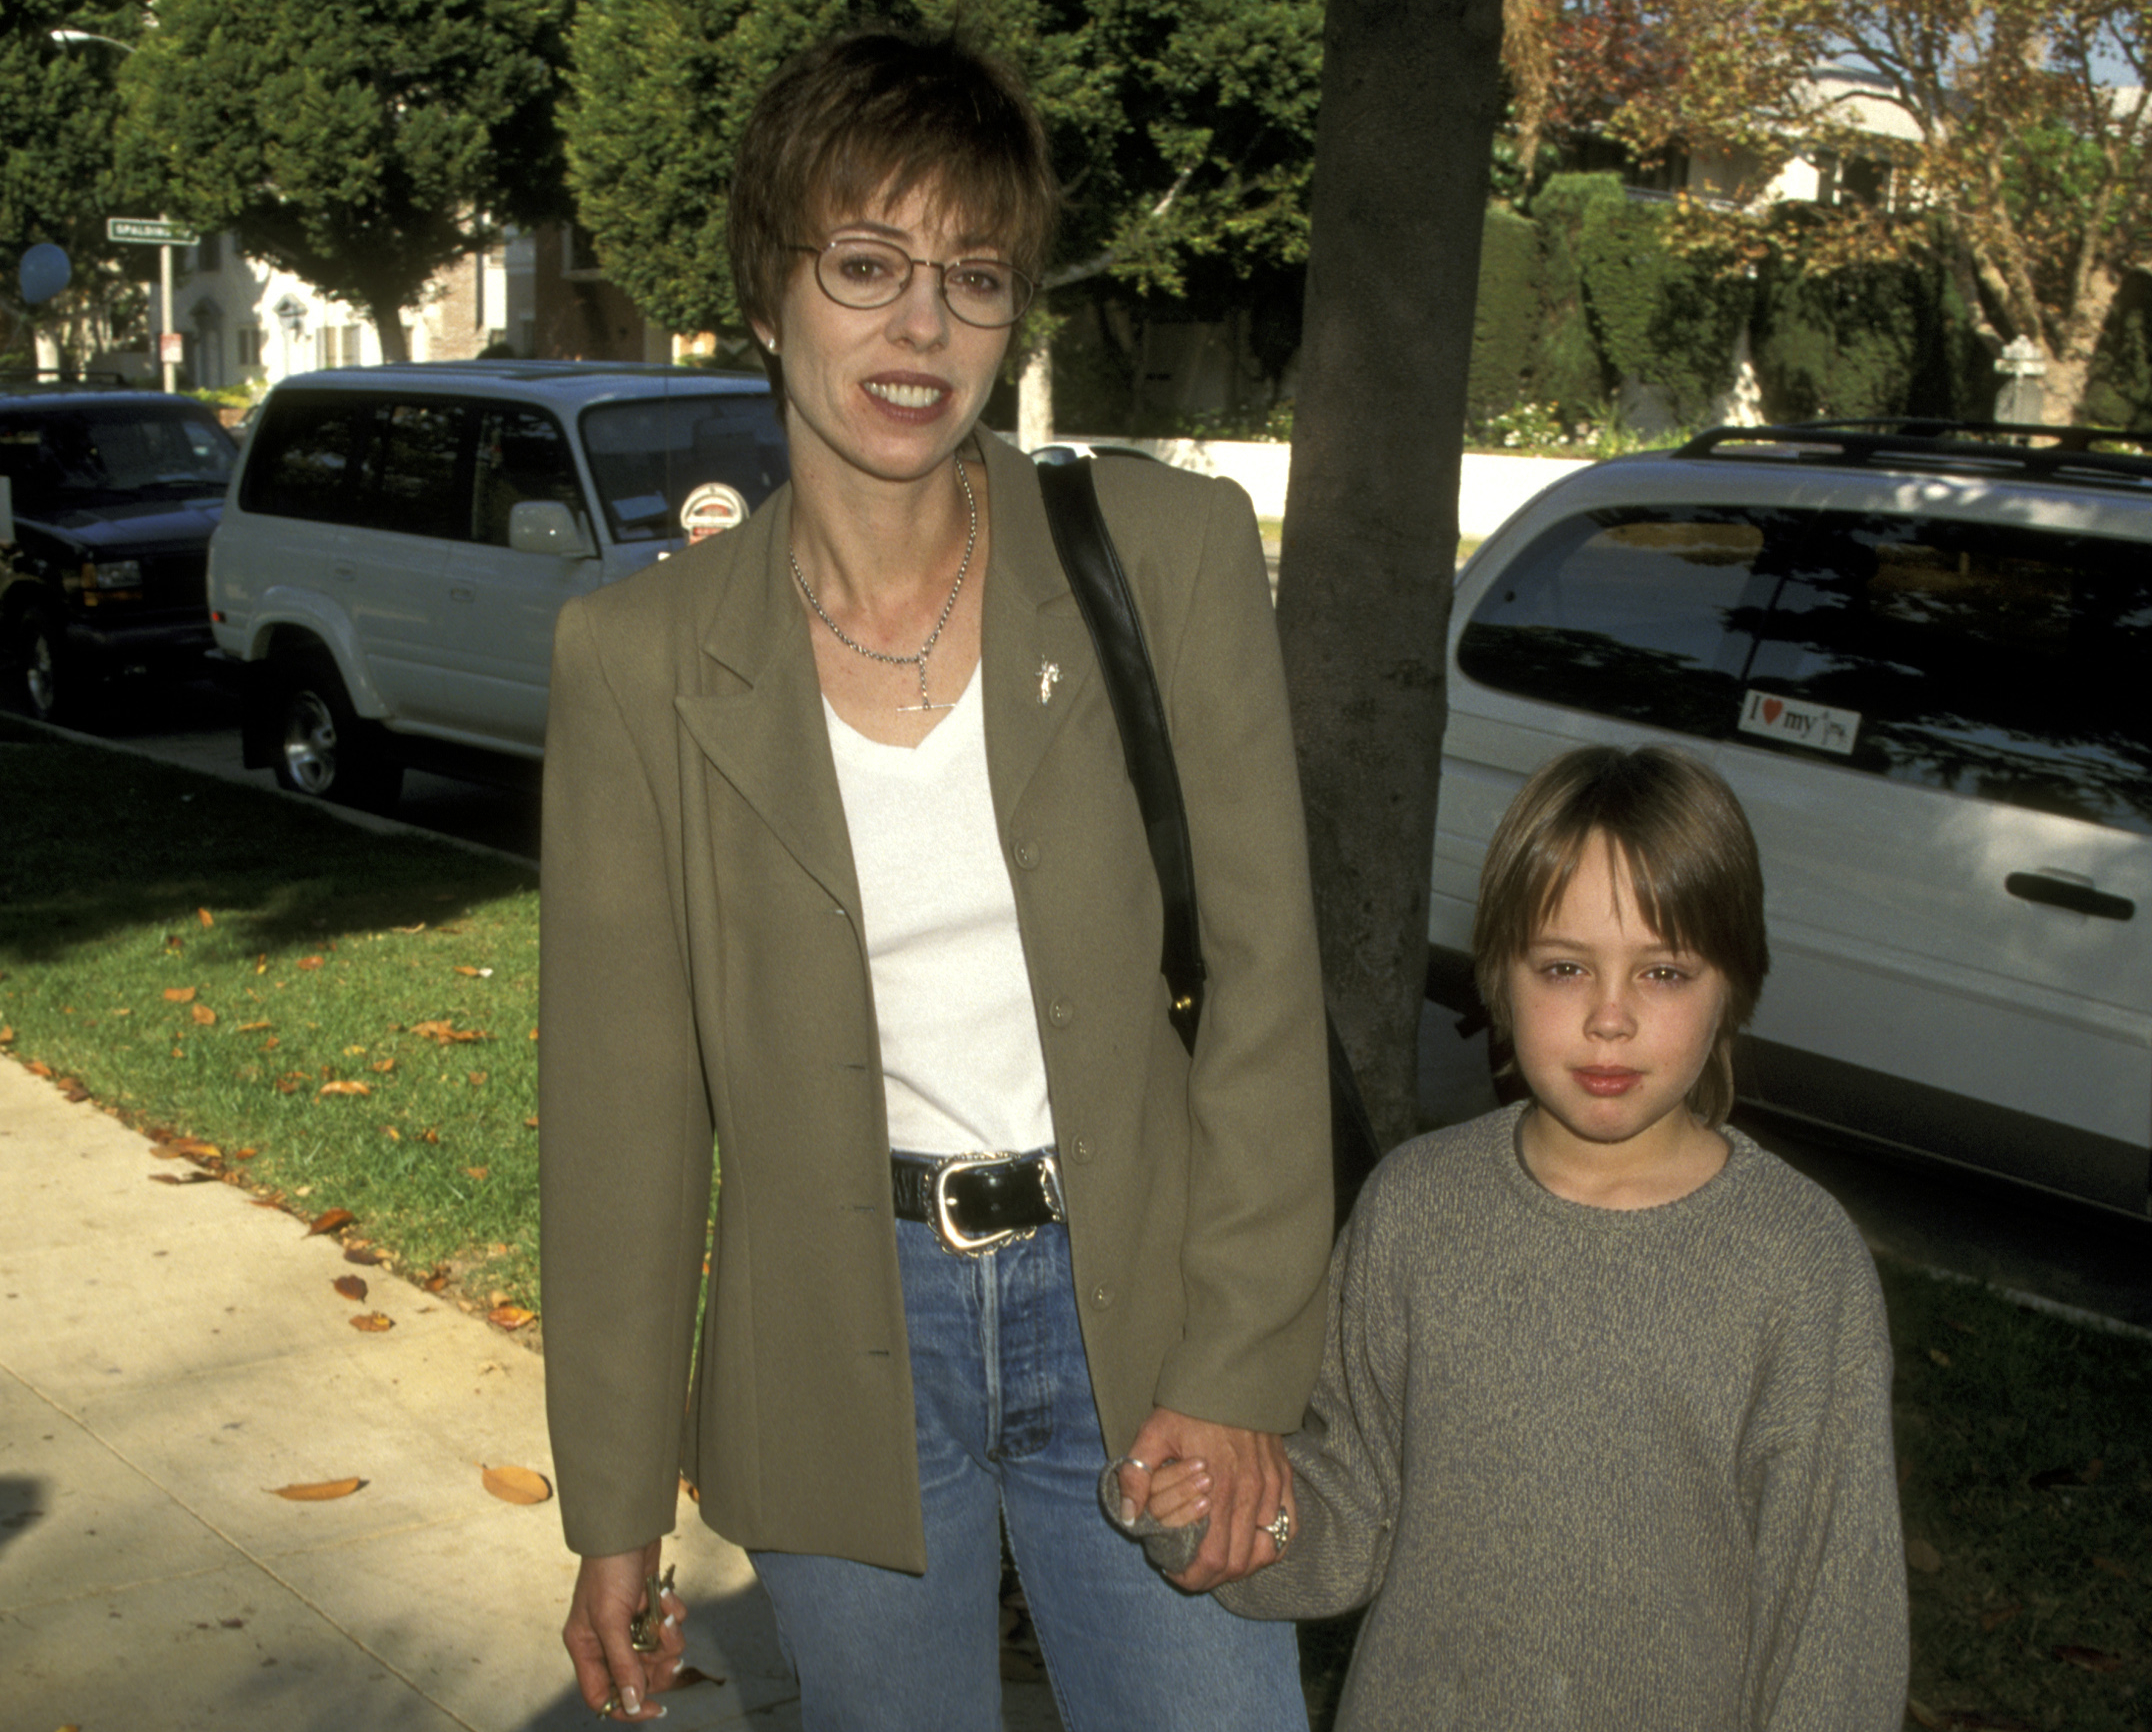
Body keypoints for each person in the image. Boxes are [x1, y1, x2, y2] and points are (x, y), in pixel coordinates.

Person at [536, 27, 1332, 1731]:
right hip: (835, 1339)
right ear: (769, 291)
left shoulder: (1167, 556)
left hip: (1141, 1313)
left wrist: (1242, 1361)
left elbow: (1267, 980)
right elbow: (621, 1120)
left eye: (973, 278)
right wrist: (612, 1512)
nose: (920, 328)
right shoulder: (637, 660)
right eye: (866, 265)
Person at [1150, 745, 1909, 1729]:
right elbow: (1355, 1502)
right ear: (1498, 977)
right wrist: (1219, 1514)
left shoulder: (1798, 1263)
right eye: (1563, 966)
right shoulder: (1414, 1208)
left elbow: (1832, 1616)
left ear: (1735, 988)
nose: (1609, 1017)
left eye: (1664, 971)